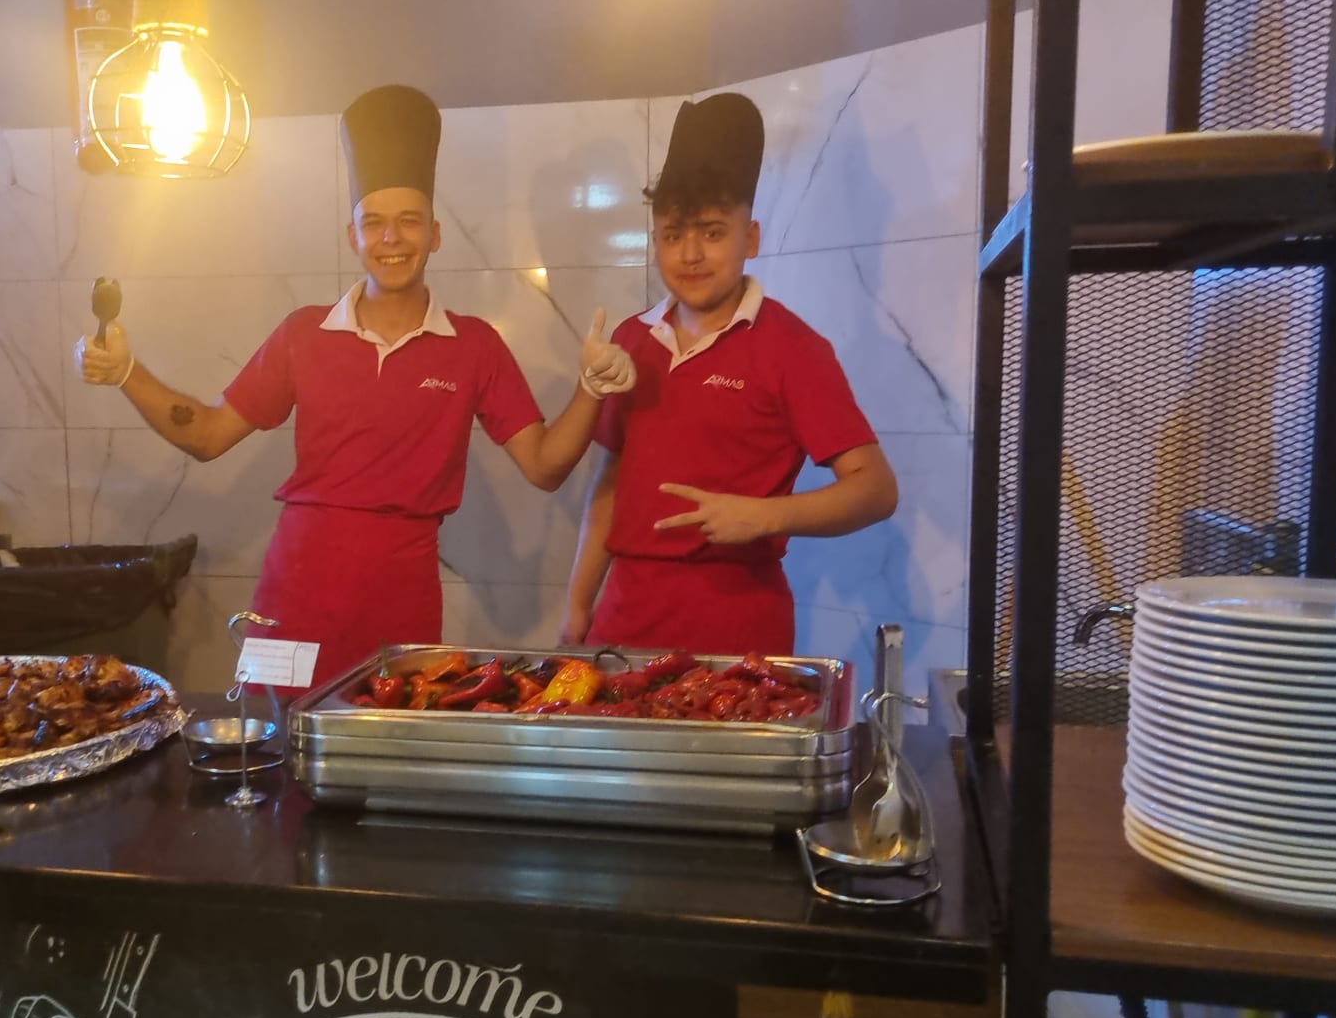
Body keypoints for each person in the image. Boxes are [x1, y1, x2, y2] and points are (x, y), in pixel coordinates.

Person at [75, 85, 635, 689]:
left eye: (408, 222)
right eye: (374, 223)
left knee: (388, 733)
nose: (391, 239)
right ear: (353, 237)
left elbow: (546, 466)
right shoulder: (303, 333)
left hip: (401, 604)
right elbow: (208, 435)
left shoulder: (473, 346)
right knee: (273, 733)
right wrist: (128, 372)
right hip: (291, 598)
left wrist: (590, 387)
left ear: (435, 234)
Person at [562, 92, 899, 657]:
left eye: (713, 232)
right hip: (624, 617)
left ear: (752, 238)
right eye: (674, 234)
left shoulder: (792, 347)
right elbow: (613, 479)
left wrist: (764, 516)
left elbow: (875, 489)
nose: (691, 253)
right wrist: (578, 602)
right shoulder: (631, 339)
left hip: (737, 625)